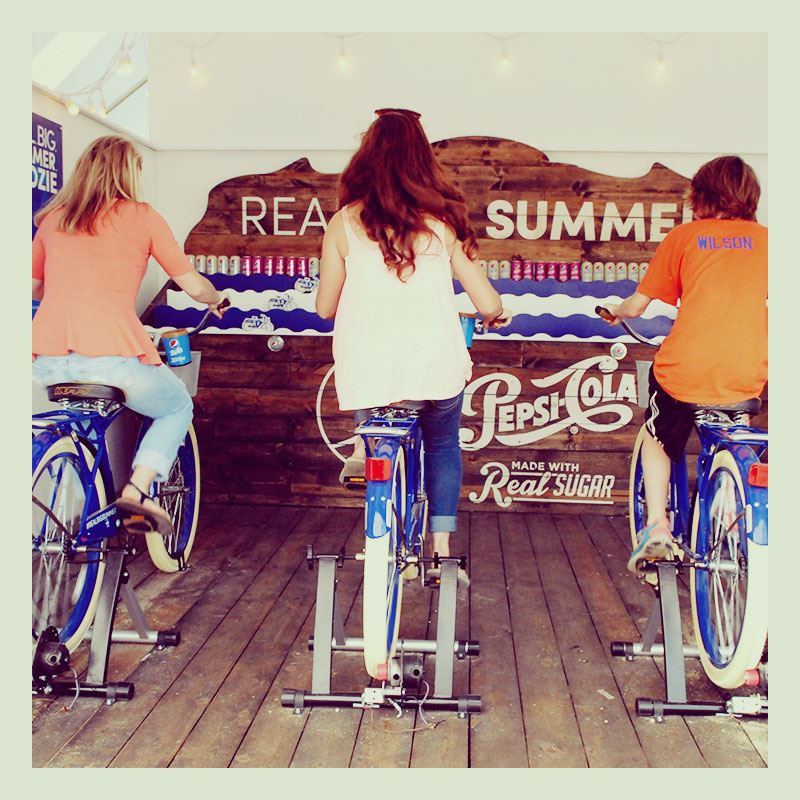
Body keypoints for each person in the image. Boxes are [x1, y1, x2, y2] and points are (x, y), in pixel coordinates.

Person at [316, 108, 512, 583]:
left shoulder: (343, 224)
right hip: (433, 367)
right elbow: (486, 299)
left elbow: (324, 308)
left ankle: (372, 463)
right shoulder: (441, 224)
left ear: (366, 159)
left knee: (380, 434)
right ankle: (442, 553)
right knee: (442, 444)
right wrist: (494, 312)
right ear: (421, 162)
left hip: (369, 371)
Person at [32, 135, 228, 535]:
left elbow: (31, 288)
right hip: (111, 361)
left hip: (48, 364)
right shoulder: (142, 216)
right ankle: (137, 493)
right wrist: (215, 299)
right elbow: (191, 284)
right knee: (175, 408)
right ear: (128, 173)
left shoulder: (55, 220)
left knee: (86, 432)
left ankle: (84, 497)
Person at [603, 155, 767, 574]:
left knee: (659, 434)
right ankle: (733, 511)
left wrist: (617, 311)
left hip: (686, 369)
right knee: (734, 429)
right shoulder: (772, 242)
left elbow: (638, 305)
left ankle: (658, 527)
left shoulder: (685, 237)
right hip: (746, 372)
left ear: (703, 196)